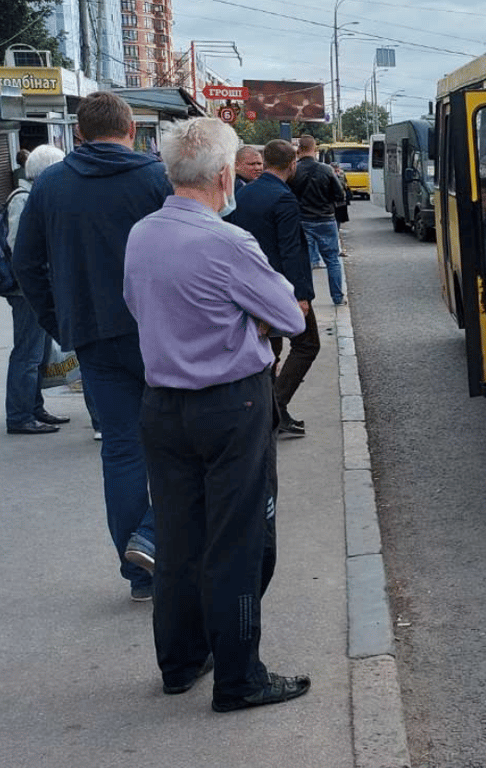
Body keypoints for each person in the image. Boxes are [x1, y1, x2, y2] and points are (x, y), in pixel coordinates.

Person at [123, 117, 309, 713]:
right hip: (231, 404)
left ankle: (180, 662)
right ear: (226, 175)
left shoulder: (143, 234)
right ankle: (240, 676)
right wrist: (245, 321)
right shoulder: (227, 242)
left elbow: (140, 305)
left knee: (179, 539)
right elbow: (291, 314)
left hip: (163, 405)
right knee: (239, 541)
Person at [12, 91, 172, 602]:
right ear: (130, 129)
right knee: (179, 443)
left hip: (93, 336)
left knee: (123, 451)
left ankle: (141, 574)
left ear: (78, 133)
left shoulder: (51, 184)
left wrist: (58, 319)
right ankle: (152, 536)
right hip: (159, 332)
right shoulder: (154, 177)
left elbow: (26, 262)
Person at [228, 139, 317, 438]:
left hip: (250, 285)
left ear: (265, 162)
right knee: (307, 344)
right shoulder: (283, 198)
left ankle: (266, 413)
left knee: (271, 350)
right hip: (281, 287)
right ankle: (274, 408)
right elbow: (291, 249)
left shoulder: (245, 193)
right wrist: (301, 295)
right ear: (292, 164)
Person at [5, 145, 68, 436]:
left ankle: (34, 407)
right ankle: (20, 415)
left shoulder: (34, 196)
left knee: (39, 352)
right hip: (25, 290)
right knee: (28, 353)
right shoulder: (23, 199)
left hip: (35, 286)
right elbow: (20, 248)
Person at [288, 135, 347, 304]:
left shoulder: (294, 170)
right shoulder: (326, 170)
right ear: (316, 150)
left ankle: (305, 299)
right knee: (333, 260)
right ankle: (337, 297)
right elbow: (339, 194)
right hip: (326, 219)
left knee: (303, 262)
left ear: (299, 150)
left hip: (303, 220)